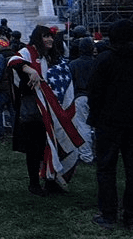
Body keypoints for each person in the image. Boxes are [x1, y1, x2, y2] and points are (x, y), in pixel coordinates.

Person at [87, 19, 133, 231]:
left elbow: (94, 93)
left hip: (109, 122)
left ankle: (109, 214)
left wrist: (95, 116)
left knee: (106, 169)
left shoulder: (104, 60)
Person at [9, 24, 84, 195]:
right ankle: (34, 183)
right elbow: (13, 61)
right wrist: (31, 71)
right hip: (33, 111)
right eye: (45, 36)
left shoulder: (51, 57)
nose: (49, 39)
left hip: (51, 111)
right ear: (37, 38)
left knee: (51, 146)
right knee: (35, 148)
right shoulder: (28, 52)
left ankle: (51, 180)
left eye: (50, 36)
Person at [68, 36, 97, 164]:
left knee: (83, 126)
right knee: (98, 127)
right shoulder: (98, 62)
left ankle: (86, 155)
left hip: (81, 97)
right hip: (97, 97)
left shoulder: (74, 64)